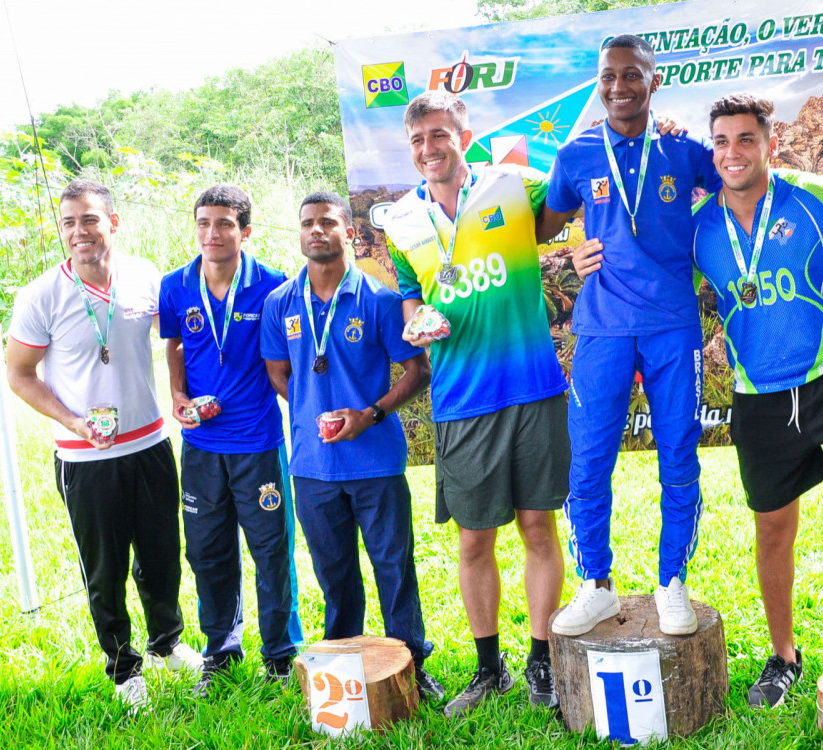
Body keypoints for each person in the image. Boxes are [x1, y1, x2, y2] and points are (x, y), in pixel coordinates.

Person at [689, 94, 823, 708]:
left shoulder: (817, 196)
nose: (734, 152)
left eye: (746, 140)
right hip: (758, 398)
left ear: (770, 144)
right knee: (774, 529)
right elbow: (656, 282)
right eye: (723, 141)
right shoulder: (700, 227)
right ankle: (783, 656)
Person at [382, 91, 569, 716]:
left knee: (539, 527)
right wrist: (416, 326)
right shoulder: (402, 220)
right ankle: (490, 670)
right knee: (472, 541)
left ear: (464, 135)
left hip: (533, 385)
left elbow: (576, 192)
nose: (428, 149)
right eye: (417, 141)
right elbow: (413, 301)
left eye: (439, 135)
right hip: (461, 398)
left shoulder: (512, 185)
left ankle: (541, 662)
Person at [536, 34, 722, 637]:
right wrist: (571, 251)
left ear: (654, 80)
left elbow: (734, 191)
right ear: (599, 82)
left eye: (632, 75)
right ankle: (595, 584)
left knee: (678, 456)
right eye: (608, 76)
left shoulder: (683, 148)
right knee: (588, 462)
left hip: (672, 327)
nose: (619, 87)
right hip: (602, 327)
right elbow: (544, 223)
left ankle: (673, 583)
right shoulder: (578, 152)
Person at [5, 179, 203, 713]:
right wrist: (71, 420)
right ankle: (123, 668)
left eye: (89, 219)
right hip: (86, 459)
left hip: (152, 443)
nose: (79, 231)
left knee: (163, 554)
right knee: (106, 568)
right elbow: (20, 374)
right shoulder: (40, 294)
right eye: (68, 222)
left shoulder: (144, 276)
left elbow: (176, 338)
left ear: (113, 222)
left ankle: (168, 643)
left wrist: (183, 393)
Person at [260, 191, 442, 699]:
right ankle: (341, 665)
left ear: (350, 234)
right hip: (313, 466)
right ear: (299, 235)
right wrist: (310, 406)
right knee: (334, 573)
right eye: (307, 223)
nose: (315, 230)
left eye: (327, 222)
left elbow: (418, 370)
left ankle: (410, 662)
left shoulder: (381, 301)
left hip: (375, 461)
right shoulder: (281, 304)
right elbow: (280, 373)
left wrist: (369, 414)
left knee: (393, 567)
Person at [159, 185, 304, 696]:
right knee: (206, 550)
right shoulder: (175, 285)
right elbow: (175, 344)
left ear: (246, 230)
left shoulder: (273, 286)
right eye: (203, 222)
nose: (212, 233)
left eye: (224, 223)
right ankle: (220, 649)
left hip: (258, 443)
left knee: (271, 550)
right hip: (201, 446)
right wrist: (178, 395)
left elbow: (288, 360)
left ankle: (281, 654)